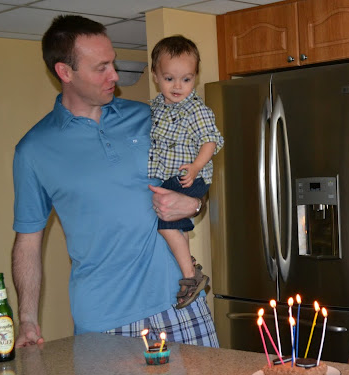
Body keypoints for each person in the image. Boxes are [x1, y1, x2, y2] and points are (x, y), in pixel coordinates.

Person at [12, 15, 219, 348]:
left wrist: (194, 203)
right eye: (101, 68)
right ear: (65, 72)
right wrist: (27, 319)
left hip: (181, 302)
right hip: (104, 321)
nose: (115, 76)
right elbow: (28, 242)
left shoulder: (151, 116)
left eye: (113, 63)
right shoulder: (34, 150)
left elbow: (194, 184)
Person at [148, 35, 224, 308]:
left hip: (189, 176)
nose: (178, 86)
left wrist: (195, 167)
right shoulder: (155, 107)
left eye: (186, 79)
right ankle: (188, 263)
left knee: (166, 223)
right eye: (169, 79)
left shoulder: (196, 110)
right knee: (171, 224)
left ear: (195, 77)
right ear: (156, 76)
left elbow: (210, 141)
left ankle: (191, 275)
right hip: (169, 177)